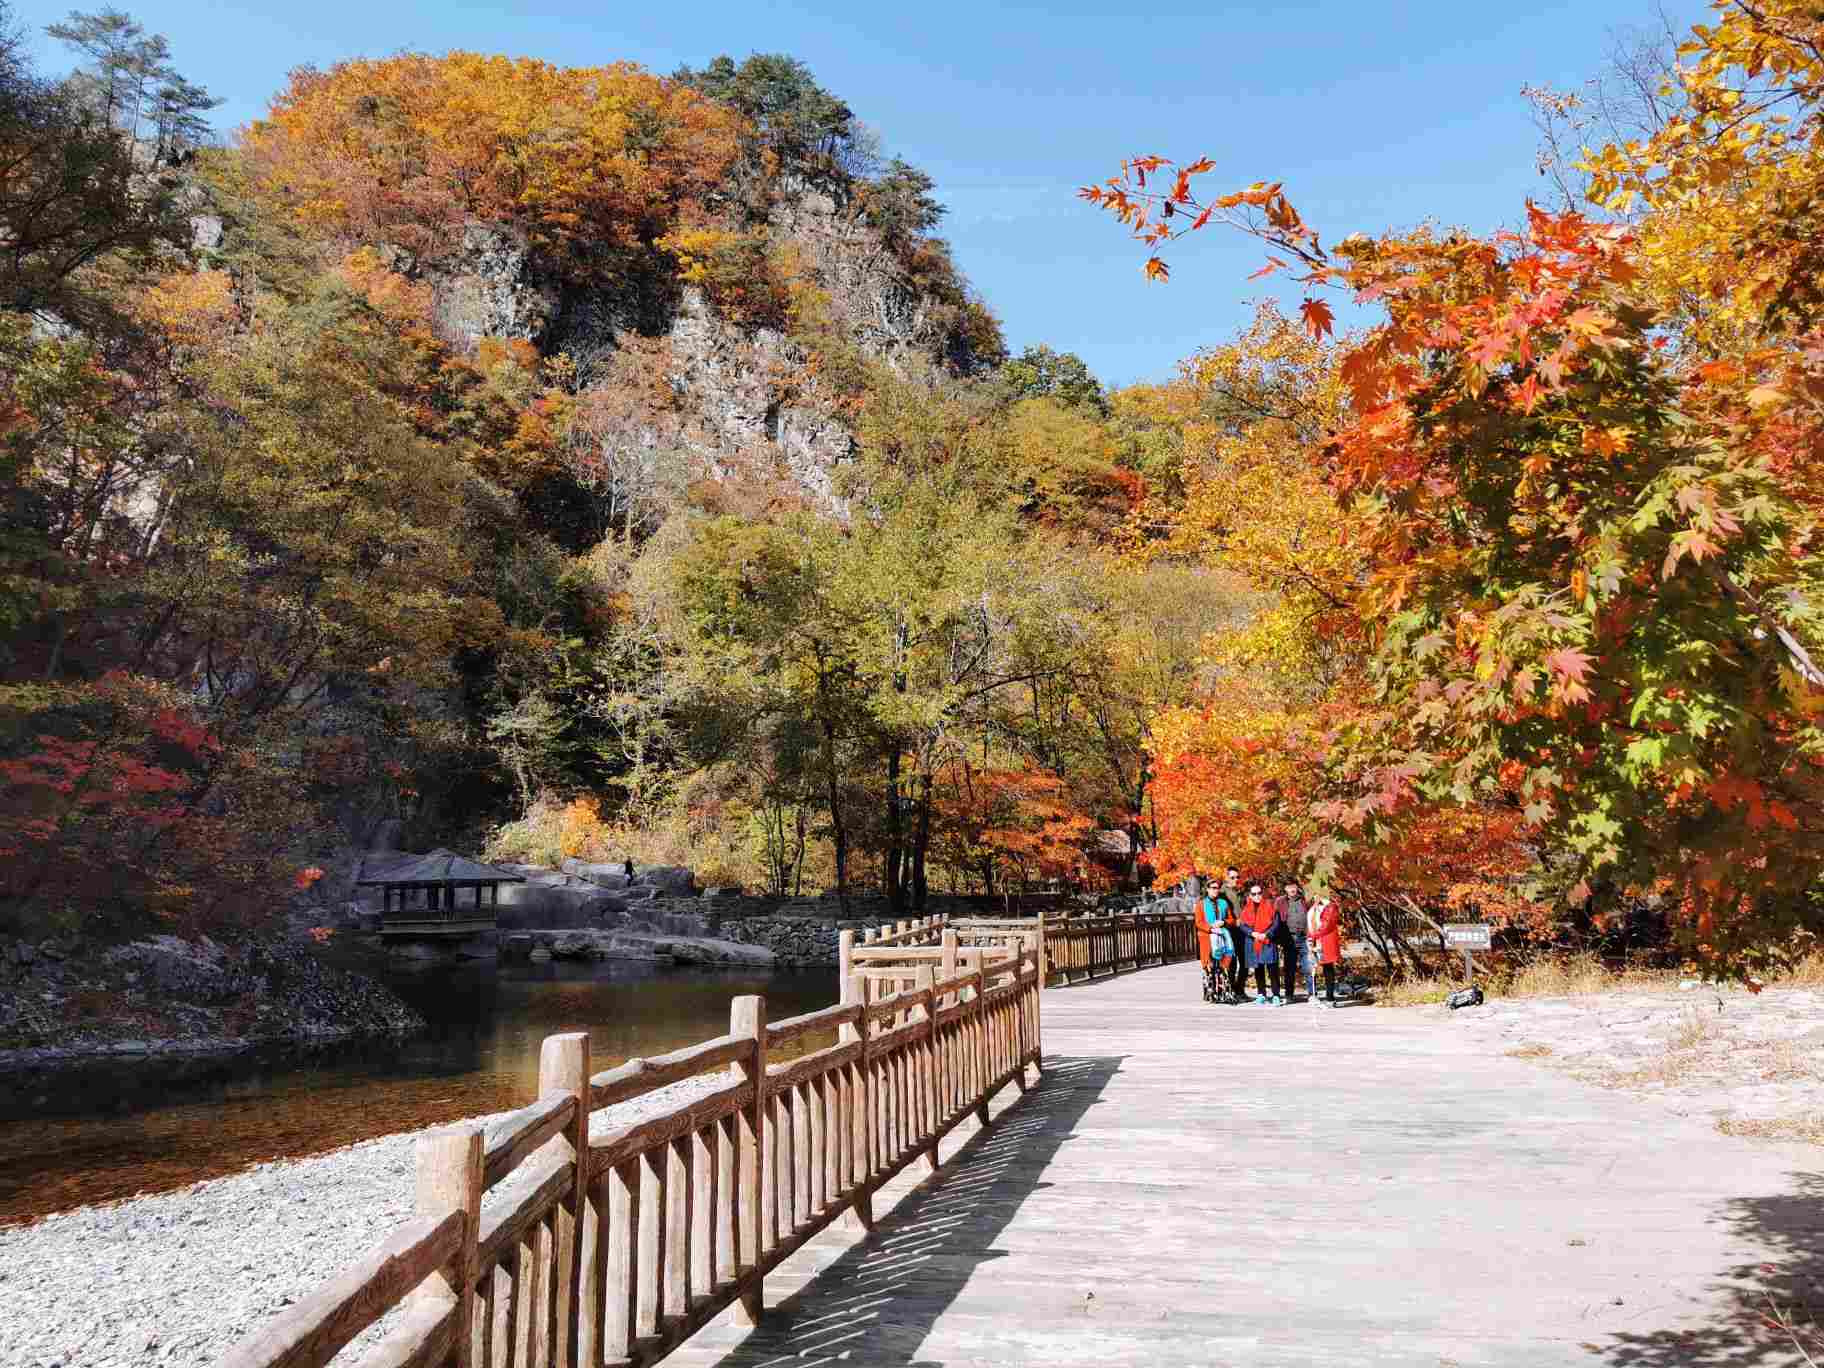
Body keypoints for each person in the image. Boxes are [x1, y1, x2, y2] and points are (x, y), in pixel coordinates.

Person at [1241, 882, 1284, 1004]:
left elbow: (1276, 924)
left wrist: (1266, 934)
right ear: (1250, 895)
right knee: (1258, 968)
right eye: (1254, 894)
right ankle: (1261, 994)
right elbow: (1243, 925)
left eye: (1259, 893)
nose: (1257, 896)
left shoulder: (1270, 906)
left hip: (1267, 940)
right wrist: (1252, 933)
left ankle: (1276, 995)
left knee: (1272, 968)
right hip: (1253, 941)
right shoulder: (1246, 909)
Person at [1308, 891, 1343, 1007]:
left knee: (1328, 968)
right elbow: (1310, 924)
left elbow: (1326, 925)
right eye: (1313, 894)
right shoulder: (1313, 908)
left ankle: (1330, 998)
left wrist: (1313, 936)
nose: (1315, 896)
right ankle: (1314, 995)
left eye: (1318, 894)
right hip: (1315, 941)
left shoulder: (1330, 907)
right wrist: (1310, 938)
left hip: (1326, 941)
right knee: (1314, 967)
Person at [1277, 881, 1310, 1001]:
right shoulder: (1280, 902)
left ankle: (1312, 993)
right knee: (1289, 968)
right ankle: (1289, 994)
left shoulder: (1304, 900)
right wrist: (1279, 939)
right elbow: (1276, 920)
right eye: (1289, 887)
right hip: (1289, 939)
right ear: (1285, 889)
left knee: (1308, 966)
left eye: (1294, 887)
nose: (1292, 889)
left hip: (1303, 938)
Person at [1219, 866, 1246, 1000]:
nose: (1236, 880)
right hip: (1230, 930)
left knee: (1245, 961)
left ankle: (1239, 990)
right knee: (1232, 962)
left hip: (1244, 930)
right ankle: (1231, 991)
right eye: (1232, 877)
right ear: (1226, 877)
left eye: (1237, 877)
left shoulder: (1241, 891)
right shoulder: (1222, 893)